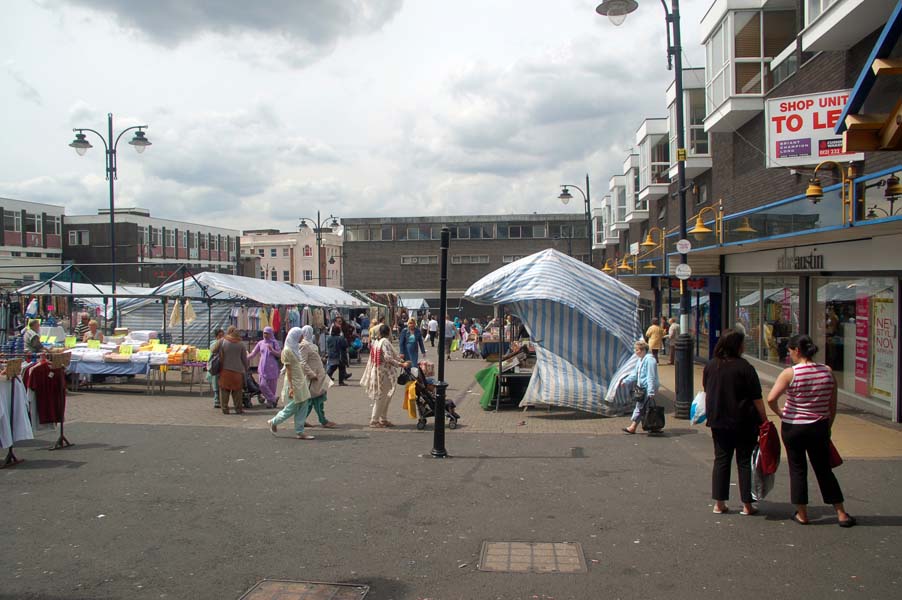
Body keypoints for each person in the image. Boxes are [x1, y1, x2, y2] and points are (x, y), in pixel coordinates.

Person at [767, 334, 855, 527]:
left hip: (794, 428)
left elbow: (771, 399)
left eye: (790, 351)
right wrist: (828, 425)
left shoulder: (790, 373)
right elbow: (832, 404)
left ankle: (802, 514)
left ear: (797, 351)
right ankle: (841, 513)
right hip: (819, 426)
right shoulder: (827, 371)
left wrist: (782, 414)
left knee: (797, 469)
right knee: (824, 469)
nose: (789, 355)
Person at [703, 330, 767, 516]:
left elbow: (706, 388)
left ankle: (719, 503)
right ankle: (747, 504)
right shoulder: (745, 367)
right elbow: (757, 398)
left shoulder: (711, 366)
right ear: (737, 346)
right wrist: (764, 420)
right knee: (744, 461)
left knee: (721, 460)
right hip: (744, 421)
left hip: (718, 420)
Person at [267, 327, 315, 440]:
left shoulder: (294, 348)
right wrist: (291, 387)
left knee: (303, 404)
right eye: (300, 336)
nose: (302, 338)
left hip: (299, 380)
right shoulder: (287, 351)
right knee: (293, 406)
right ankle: (275, 421)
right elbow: (288, 370)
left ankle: (300, 430)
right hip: (294, 381)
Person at [360, 323, 409, 428]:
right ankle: (374, 420)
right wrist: (401, 364)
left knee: (385, 396)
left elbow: (391, 355)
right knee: (382, 397)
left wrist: (400, 360)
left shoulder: (377, 342)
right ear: (388, 332)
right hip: (383, 373)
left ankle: (383, 418)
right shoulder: (385, 342)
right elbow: (388, 358)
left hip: (378, 372)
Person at [297, 325, 336, 429]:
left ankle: (302, 419)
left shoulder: (311, 344)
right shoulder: (303, 345)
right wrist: (311, 374)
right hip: (313, 377)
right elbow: (303, 362)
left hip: (318, 376)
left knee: (313, 400)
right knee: (316, 399)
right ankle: (322, 420)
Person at [621, 340, 659, 435]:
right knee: (647, 408)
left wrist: (650, 391)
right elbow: (635, 374)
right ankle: (654, 425)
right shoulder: (640, 360)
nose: (635, 351)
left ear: (643, 350)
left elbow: (651, 376)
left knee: (640, 407)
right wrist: (626, 381)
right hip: (642, 388)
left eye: (637, 350)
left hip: (646, 388)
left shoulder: (650, 360)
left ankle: (633, 427)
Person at [247, 326, 281, 408]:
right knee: (262, 385)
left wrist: (272, 350)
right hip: (262, 368)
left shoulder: (274, 342)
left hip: (272, 368)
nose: (265, 335)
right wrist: (245, 357)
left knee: (272, 387)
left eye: (267, 333)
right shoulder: (260, 343)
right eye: (264, 333)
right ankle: (273, 399)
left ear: (270, 334)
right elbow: (253, 353)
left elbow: (279, 354)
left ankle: (270, 402)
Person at [218, 326, 248, 415]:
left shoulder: (223, 341)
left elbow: (213, 350)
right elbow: (244, 359)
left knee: (224, 390)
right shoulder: (241, 344)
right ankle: (238, 409)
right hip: (237, 372)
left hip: (225, 370)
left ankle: (225, 408)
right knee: (237, 391)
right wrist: (246, 368)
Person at [209, 328, 225, 409]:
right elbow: (212, 352)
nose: (222, 337)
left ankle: (221, 400)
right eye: (220, 336)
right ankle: (216, 400)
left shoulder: (225, 343)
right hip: (215, 365)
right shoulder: (213, 344)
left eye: (223, 335)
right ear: (216, 336)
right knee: (215, 382)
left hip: (223, 366)